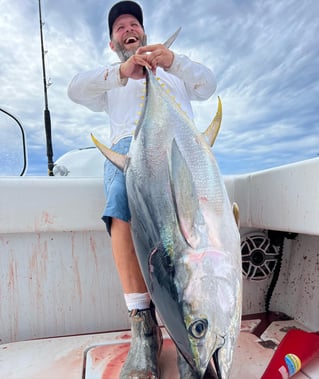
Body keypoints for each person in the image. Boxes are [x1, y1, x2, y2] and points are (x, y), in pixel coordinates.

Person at [68, 1, 216, 377]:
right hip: (130, 152)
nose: (129, 28)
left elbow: (207, 85)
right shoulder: (111, 83)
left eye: (134, 23)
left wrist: (173, 61)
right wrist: (123, 71)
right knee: (119, 203)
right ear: (112, 41)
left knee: (196, 224)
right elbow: (74, 90)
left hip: (180, 151)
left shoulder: (175, 72)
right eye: (120, 27)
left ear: (145, 33)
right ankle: (144, 329)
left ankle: (192, 328)